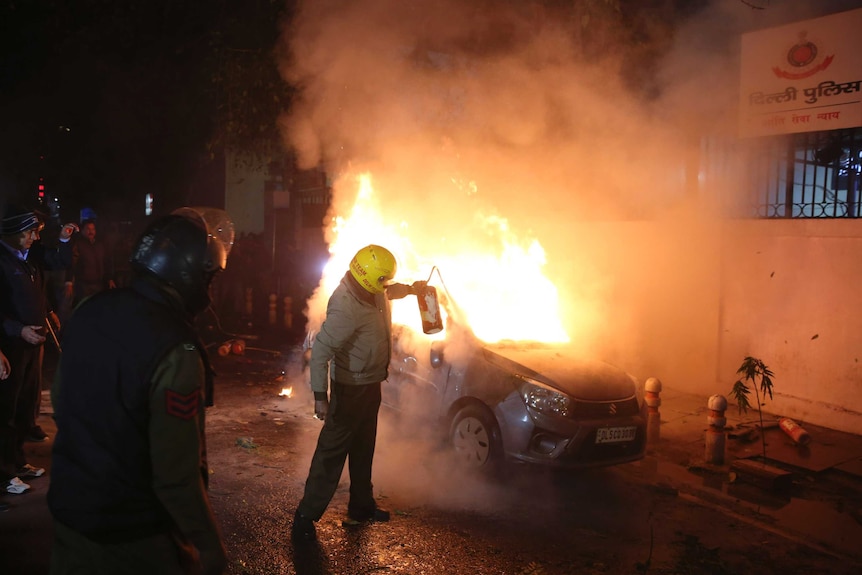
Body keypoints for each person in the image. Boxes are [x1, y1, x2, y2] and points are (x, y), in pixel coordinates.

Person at [48, 207, 234, 575]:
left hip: (69, 520)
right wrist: (210, 548)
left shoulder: (90, 309)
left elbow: (61, 401)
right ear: (187, 277)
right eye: (207, 278)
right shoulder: (176, 348)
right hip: (133, 539)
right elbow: (176, 475)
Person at [292, 244, 425, 540]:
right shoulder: (347, 307)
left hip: (370, 385)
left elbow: (389, 291)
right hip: (349, 389)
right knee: (331, 452)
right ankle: (306, 514)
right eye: (382, 280)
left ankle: (362, 507)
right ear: (370, 279)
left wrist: (412, 290)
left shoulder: (372, 290)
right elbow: (321, 351)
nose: (385, 286)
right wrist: (320, 396)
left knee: (364, 449)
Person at [0, 203, 76, 495]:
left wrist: (46, 310)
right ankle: (3, 474)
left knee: (23, 408)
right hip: (10, 349)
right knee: (4, 411)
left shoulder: (28, 259)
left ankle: (17, 463)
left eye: (35, 232)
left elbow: (41, 285)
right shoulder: (2, 261)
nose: (34, 237)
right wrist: (16, 330)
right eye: (30, 232)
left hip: (32, 346)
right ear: (13, 232)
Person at [67, 218, 115, 308]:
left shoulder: (100, 245)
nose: (91, 231)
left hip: (98, 284)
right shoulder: (78, 245)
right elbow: (72, 263)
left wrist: (109, 278)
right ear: (82, 231)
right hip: (83, 286)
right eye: (88, 229)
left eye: (93, 229)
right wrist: (69, 281)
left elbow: (107, 262)